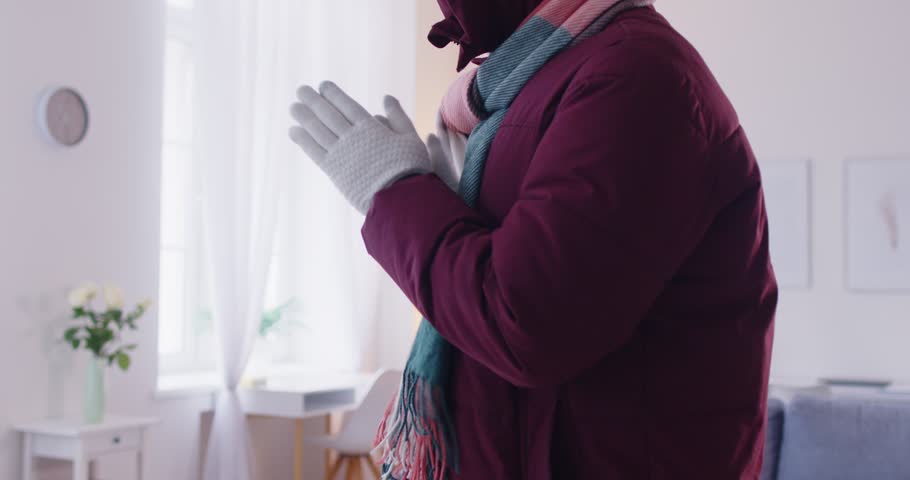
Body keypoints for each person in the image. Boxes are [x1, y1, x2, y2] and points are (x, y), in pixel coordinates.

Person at [289, 0, 778, 478]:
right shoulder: (525, 87)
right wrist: (440, 206)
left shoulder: (635, 75)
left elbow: (525, 322)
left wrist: (395, 195)